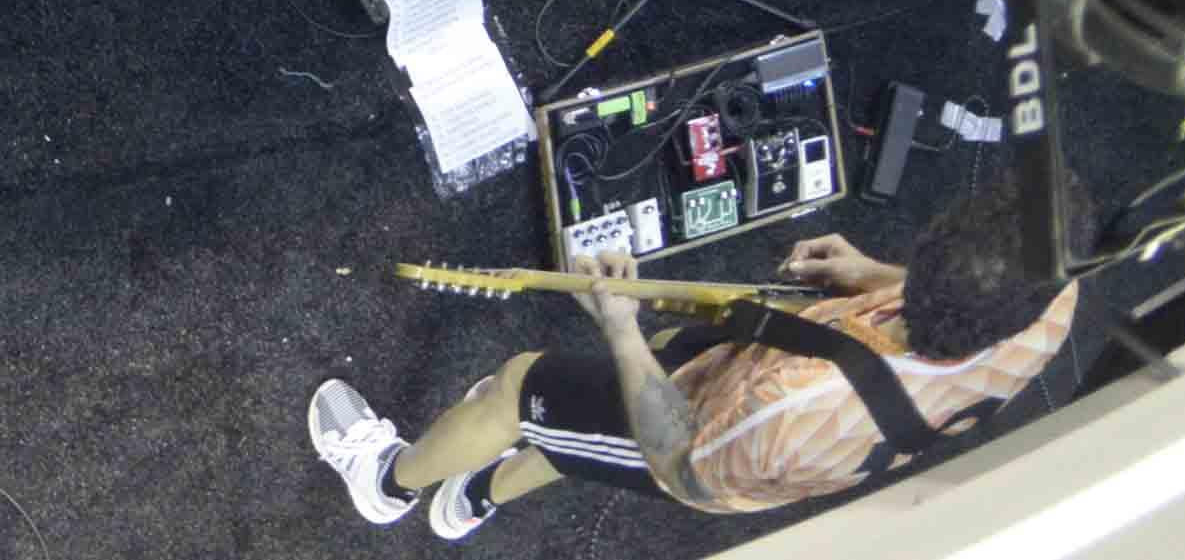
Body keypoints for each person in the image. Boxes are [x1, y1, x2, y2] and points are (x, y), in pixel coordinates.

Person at [303, 172, 1074, 526]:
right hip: (762, 372)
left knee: (515, 387)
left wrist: (620, 328)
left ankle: (389, 483)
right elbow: (954, 298)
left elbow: (682, 462)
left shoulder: (790, 409)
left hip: (702, 438)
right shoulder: (1048, 305)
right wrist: (876, 277)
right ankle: (477, 496)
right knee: (576, 434)